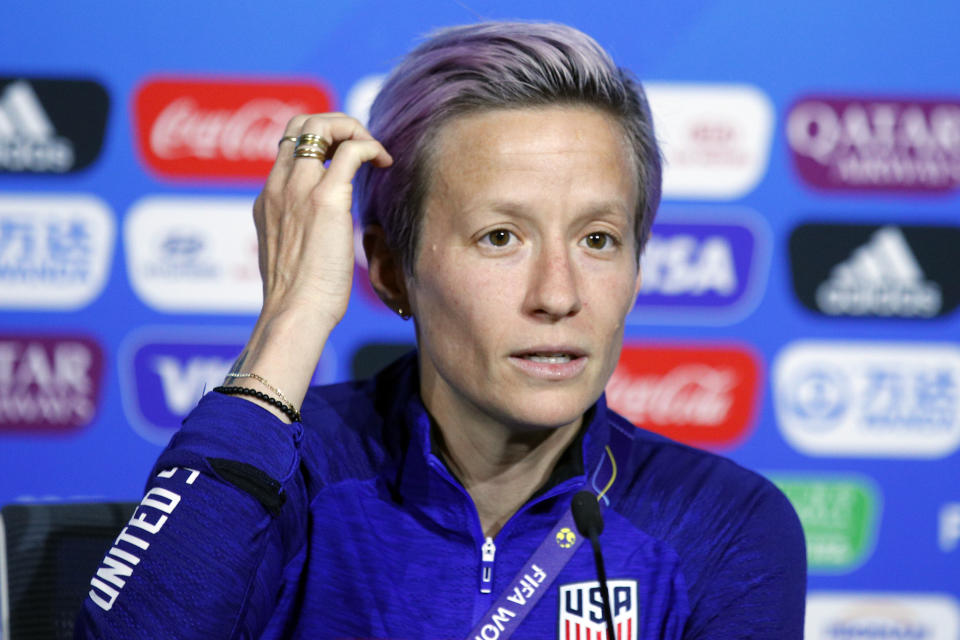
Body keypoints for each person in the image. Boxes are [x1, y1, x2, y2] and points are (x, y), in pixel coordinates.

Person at [76, 21, 805, 639]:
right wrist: (290, 319)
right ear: (391, 271)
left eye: (598, 240)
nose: (558, 295)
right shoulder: (297, 472)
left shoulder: (721, 523)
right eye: (499, 237)